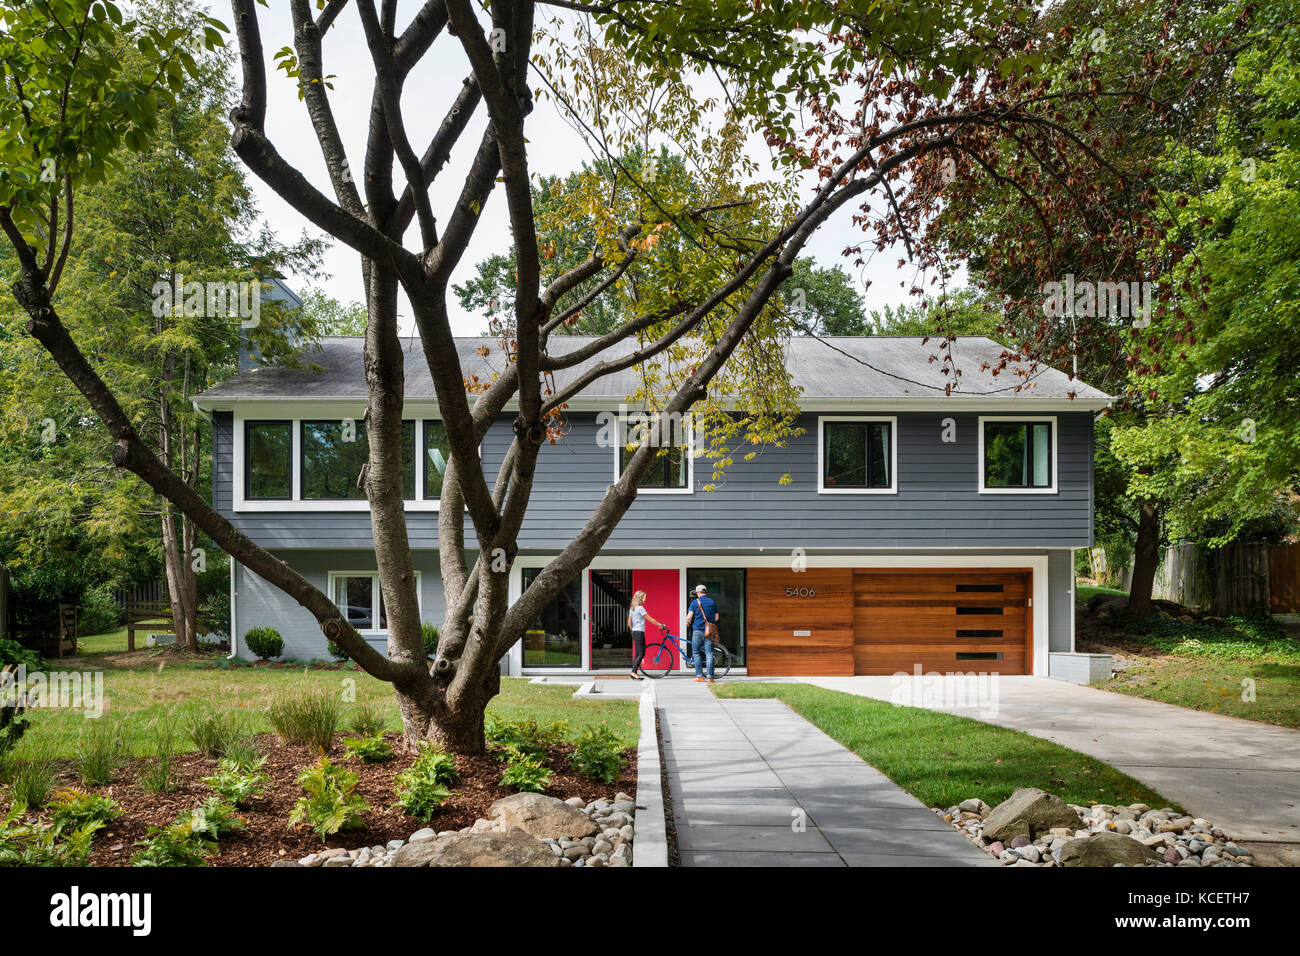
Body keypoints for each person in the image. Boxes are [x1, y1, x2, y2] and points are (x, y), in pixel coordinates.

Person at [685, 584, 720, 683]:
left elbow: (689, 616)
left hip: (698, 631)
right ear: (705, 592)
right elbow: (717, 617)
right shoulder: (712, 602)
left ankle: (700, 676)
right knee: (709, 653)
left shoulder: (695, 603)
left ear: (698, 593)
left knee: (696, 652)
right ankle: (710, 677)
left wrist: (687, 622)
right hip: (709, 632)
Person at [626, 590, 663, 680]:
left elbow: (629, 623)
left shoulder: (632, 608)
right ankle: (634, 672)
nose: (645, 599)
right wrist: (660, 624)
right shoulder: (640, 608)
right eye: (644, 597)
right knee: (642, 654)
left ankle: (633, 673)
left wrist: (633, 631)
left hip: (634, 632)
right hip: (639, 632)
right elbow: (649, 618)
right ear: (640, 598)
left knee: (637, 654)